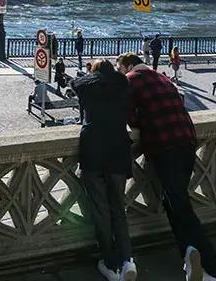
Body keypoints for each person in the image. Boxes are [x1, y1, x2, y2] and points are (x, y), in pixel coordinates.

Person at [117, 52, 216, 281]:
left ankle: (214, 270)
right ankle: (189, 254)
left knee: (181, 207)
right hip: (187, 141)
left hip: (164, 146)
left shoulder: (131, 79)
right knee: (174, 202)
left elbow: (127, 115)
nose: (121, 73)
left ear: (127, 66)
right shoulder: (163, 77)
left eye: (120, 68)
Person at [72, 60, 136, 281]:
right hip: (119, 148)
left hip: (94, 149)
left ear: (95, 71)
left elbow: (76, 82)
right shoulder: (124, 84)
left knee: (101, 209)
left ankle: (110, 264)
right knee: (118, 207)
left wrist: (93, 73)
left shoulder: (86, 84)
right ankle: (128, 260)